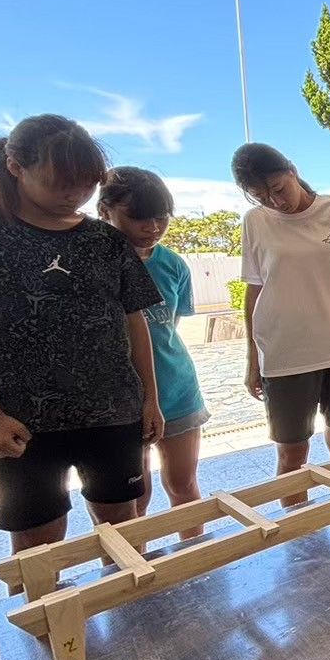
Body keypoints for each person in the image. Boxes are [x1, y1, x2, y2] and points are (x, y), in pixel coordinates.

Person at [0, 115, 164, 553]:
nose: (75, 195)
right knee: (36, 542)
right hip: (20, 422)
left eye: (86, 184)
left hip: (114, 410)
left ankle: (128, 611)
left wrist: (150, 400)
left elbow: (133, 321)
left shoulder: (105, 240)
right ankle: (39, 622)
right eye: (61, 181)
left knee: (123, 529)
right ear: (14, 165)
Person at [233, 143, 330, 506]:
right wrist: (252, 359)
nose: (274, 201)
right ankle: (300, 539)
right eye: (260, 196)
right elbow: (254, 288)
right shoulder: (255, 221)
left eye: (278, 189)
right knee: (292, 456)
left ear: (292, 170)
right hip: (284, 352)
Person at [98, 166, 209, 539]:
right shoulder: (94, 264)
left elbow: (168, 327)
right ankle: (134, 579)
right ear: (105, 211)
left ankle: (199, 561)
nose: (152, 227)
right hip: (118, 401)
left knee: (183, 486)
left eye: (161, 216)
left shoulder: (174, 264)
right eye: (138, 217)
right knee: (133, 499)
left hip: (177, 390)